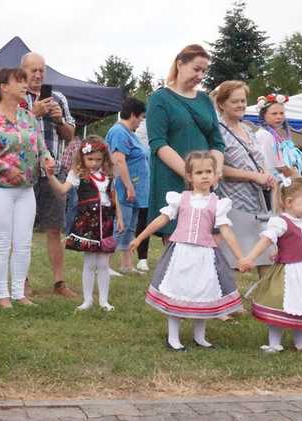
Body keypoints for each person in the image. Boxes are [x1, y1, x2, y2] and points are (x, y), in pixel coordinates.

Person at [129, 151, 243, 351]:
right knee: (178, 290)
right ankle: (173, 337)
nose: (205, 176)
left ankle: (200, 336)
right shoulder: (180, 199)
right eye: (199, 172)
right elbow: (161, 219)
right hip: (181, 254)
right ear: (189, 176)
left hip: (205, 255)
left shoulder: (218, 203)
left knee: (203, 291)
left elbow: (226, 231)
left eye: (209, 171)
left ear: (216, 175)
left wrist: (241, 257)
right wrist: (140, 237)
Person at [0, 68, 53, 309]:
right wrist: (4, 168)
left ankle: (18, 293)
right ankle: (2, 294)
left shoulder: (28, 116)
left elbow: (40, 145)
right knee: (1, 241)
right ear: (3, 87)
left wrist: (46, 158)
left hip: (27, 188)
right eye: (19, 81)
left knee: (24, 242)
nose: (25, 85)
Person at [238, 176, 302, 355]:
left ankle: (301, 343)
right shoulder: (281, 221)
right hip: (288, 273)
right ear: (289, 202)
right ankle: (274, 343)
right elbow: (268, 238)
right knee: (280, 304)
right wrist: (250, 257)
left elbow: (294, 243)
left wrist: (279, 251)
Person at [146, 44, 225, 238]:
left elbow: (217, 142)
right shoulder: (160, 99)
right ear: (180, 64)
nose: (200, 76)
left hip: (205, 179)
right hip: (173, 177)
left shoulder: (205, 100)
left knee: (207, 239)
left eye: (204, 71)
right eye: (196, 69)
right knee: (176, 239)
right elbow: (158, 143)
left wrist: (215, 172)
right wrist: (191, 175)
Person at [21, 52, 77, 298]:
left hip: (52, 172)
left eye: (41, 69)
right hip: (23, 172)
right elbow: (10, 128)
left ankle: (59, 283)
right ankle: (22, 282)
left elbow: (70, 134)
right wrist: (34, 113)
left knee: (55, 227)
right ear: (22, 71)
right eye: (33, 70)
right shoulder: (15, 96)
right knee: (21, 229)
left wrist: (58, 119)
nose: (38, 74)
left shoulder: (58, 98)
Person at [45, 136, 124, 311]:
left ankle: (104, 301)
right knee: (89, 263)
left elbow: (113, 196)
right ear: (82, 158)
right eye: (90, 159)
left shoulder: (108, 176)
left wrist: (119, 216)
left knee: (103, 264)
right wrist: (50, 177)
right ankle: (87, 300)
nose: (94, 163)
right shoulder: (77, 175)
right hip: (88, 224)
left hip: (106, 224)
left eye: (98, 159)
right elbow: (62, 190)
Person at [213, 80, 275, 274]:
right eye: (235, 101)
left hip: (258, 204)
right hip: (233, 204)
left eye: (243, 100)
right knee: (231, 259)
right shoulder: (217, 131)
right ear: (222, 104)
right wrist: (253, 176)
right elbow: (217, 168)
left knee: (265, 254)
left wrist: (265, 174)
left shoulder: (248, 128)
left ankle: (264, 302)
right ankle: (230, 303)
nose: (241, 105)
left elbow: (258, 159)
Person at [106, 97, 150, 274]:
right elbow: (119, 161)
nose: (141, 122)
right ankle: (104, 264)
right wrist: (129, 186)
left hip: (137, 188)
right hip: (126, 187)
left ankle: (126, 264)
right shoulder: (119, 132)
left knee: (130, 227)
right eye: (140, 118)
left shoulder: (129, 133)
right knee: (120, 224)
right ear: (133, 115)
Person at [254, 93, 302, 181]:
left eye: (281, 113)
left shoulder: (274, 135)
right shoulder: (264, 135)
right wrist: (298, 179)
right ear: (263, 116)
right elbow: (280, 166)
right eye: (274, 114)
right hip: (272, 183)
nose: (279, 117)